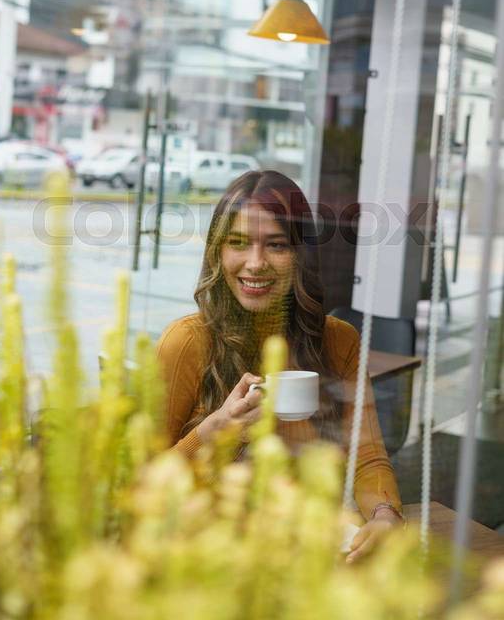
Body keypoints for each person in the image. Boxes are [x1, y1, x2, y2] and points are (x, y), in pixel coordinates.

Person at [156, 170, 404, 562]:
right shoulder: (186, 342)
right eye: (238, 243)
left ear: (300, 255)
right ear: (217, 253)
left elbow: (367, 455)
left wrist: (385, 513)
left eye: (276, 245)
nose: (255, 264)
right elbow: (142, 484)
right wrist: (210, 432)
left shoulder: (339, 342)